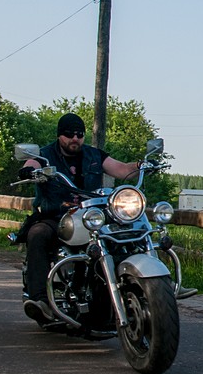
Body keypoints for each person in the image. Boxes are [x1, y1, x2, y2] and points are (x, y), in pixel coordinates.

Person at [17, 113, 140, 324]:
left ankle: (143, 287)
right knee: (37, 234)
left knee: (126, 232)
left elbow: (122, 170)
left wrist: (142, 165)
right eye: (69, 134)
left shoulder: (94, 155)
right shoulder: (45, 155)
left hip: (91, 217)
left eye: (79, 134)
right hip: (55, 216)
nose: (75, 138)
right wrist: (29, 170)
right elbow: (32, 163)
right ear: (59, 135)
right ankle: (40, 300)